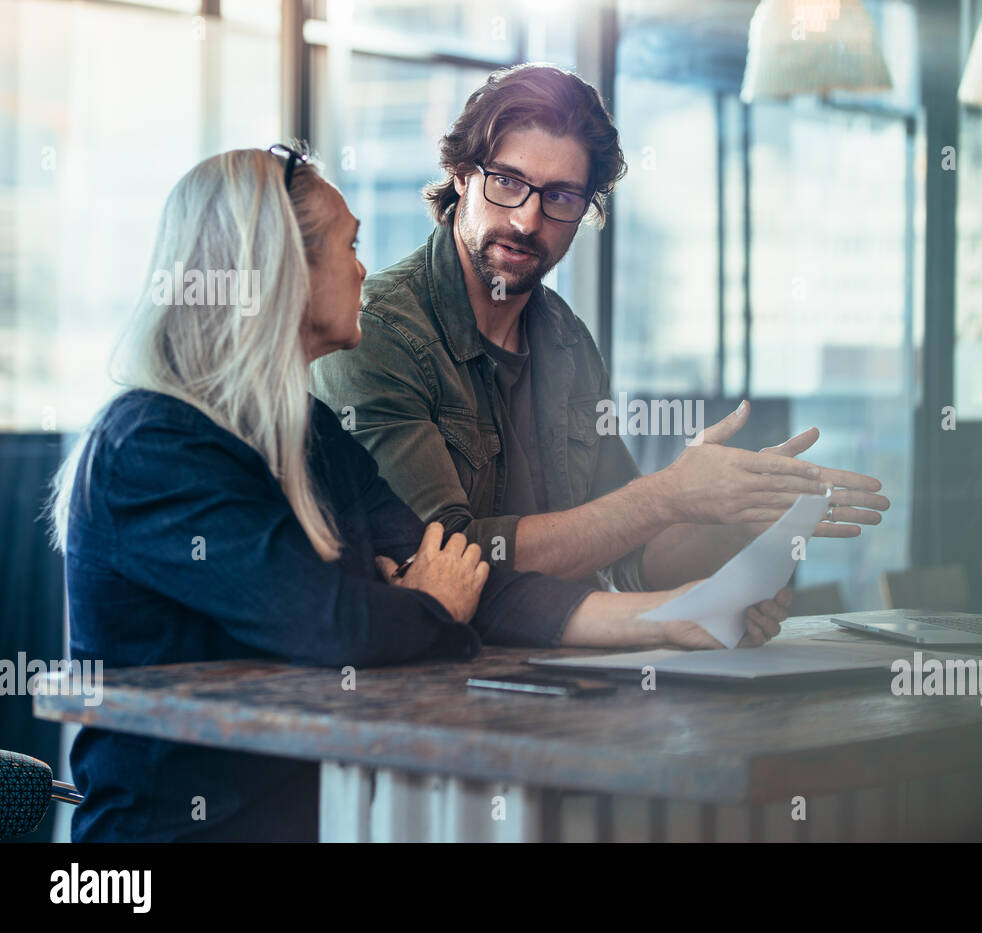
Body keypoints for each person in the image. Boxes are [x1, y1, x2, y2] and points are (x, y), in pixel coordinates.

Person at [47, 146, 789, 842]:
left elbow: (472, 576)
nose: (365, 270)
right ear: (281, 271)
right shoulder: (152, 447)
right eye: (348, 246)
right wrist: (429, 601)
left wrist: (681, 615)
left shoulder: (308, 430)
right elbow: (333, 625)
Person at [311, 63, 891, 596]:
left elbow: (628, 553)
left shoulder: (566, 340)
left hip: (559, 675)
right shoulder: (377, 331)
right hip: (421, 682)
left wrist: (732, 509)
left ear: (586, 211)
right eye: (507, 183)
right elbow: (444, 558)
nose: (526, 219)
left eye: (560, 196)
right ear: (462, 176)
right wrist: (665, 496)